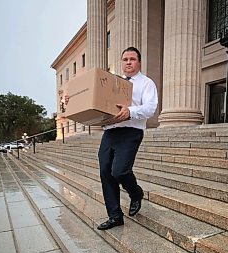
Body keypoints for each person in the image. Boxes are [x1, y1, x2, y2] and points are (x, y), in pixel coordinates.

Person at [65, 47, 158, 230]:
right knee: (106, 173)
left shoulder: (146, 83)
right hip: (110, 132)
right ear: (121, 62)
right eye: (125, 59)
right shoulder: (112, 83)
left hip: (131, 131)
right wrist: (74, 100)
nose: (128, 62)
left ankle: (136, 193)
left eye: (132, 59)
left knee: (120, 171)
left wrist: (130, 111)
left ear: (139, 62)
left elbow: (150, 108)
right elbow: (93, 99)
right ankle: (115, 216)